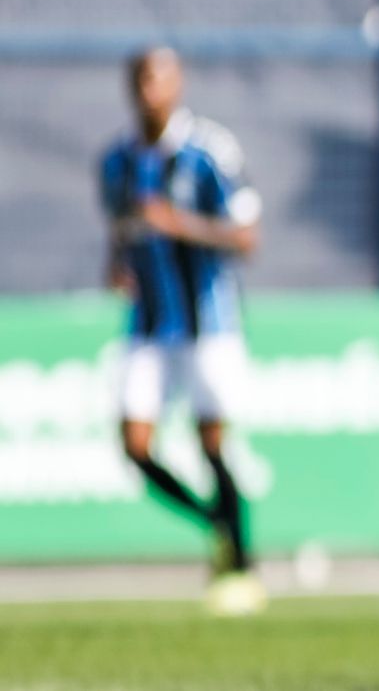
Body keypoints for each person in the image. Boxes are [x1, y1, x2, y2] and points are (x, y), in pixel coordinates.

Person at [99, 46, 265, 617]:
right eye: (143, 79)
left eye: (162, 79)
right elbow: (120, 230)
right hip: (148, 325)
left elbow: (246, 236)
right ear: (132, 86)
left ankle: (242, 565)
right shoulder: (117, 160)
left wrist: (179, 224)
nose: (153, 90)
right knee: (136, 445)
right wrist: (117, 265)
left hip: (209, 323)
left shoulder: (208, 152)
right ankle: (215, 521)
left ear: (178, 84)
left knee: (212, 442)